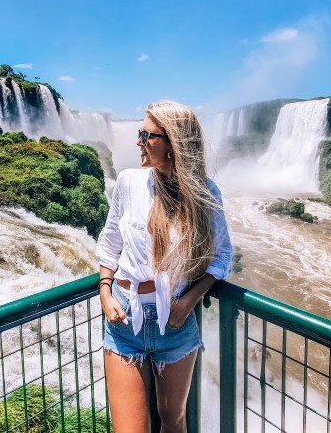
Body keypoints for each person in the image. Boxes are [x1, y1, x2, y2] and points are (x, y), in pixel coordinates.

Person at [95, 100, 233, 433]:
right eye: (139, 133)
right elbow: (110, 243)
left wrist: (189, 302)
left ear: (172, 144)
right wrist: (105, 291)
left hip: (175, 323)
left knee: (173, 421)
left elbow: (222, 256)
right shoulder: (128, 182)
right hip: (125, 321)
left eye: (146, 134)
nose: (137, 140)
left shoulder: (203, 193)